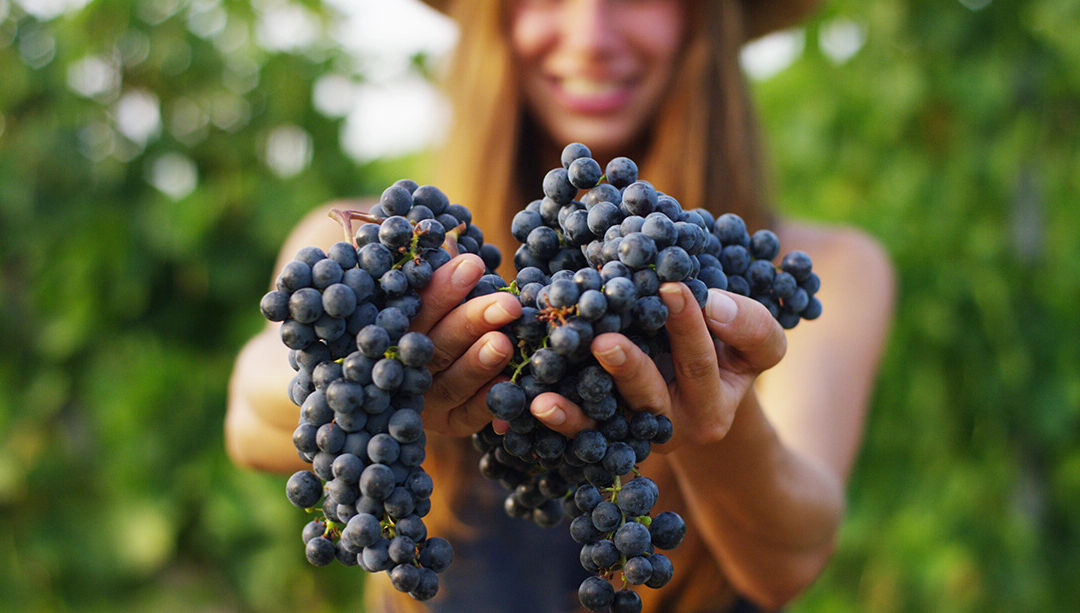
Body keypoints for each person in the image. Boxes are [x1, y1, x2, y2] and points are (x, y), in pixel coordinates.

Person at [226, 0, 895, 611]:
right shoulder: (373, 245)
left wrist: (712, 411)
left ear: (704, 18)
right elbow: (250, 413)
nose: (590, 35)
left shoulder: (814, 270)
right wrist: (389, 370)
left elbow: (788, 562)